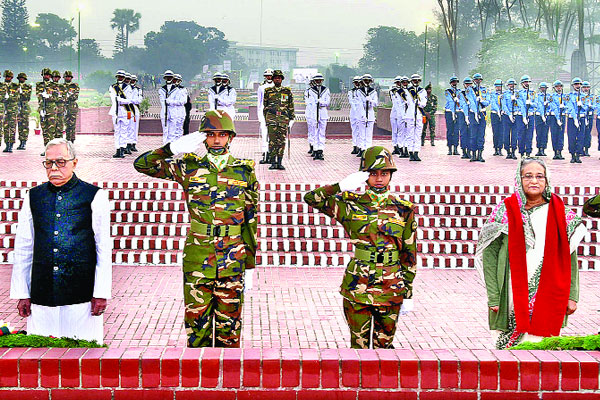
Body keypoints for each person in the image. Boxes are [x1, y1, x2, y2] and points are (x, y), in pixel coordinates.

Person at [133, 110, 258, 347]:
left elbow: (251, 220)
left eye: (222, 134)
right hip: (198, 257)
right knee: (196, 328)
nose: (217, 140)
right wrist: (170, 149)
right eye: (211, 135)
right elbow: (142, 165)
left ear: (231, 137)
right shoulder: (188, 167)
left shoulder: (244, 170)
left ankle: (226, 383)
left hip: (232, 259)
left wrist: (249, 265)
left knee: (229, 331)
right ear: (203, 138)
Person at [304, 146, 417, 349]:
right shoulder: (349, 204)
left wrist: (408, 292)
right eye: (373, 173)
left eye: (384, 173)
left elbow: (409, 253)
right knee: (358, 348)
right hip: (358, 284)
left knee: (385, 348)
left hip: (390, 286)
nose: (379, 178)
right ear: (364, 175)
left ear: (391, 175)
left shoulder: (403, 208)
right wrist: (340, 186)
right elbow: (311, 198)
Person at [476, 157, 586, 349]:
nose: (534, 181)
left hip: (550, 291)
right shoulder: (506, 210)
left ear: (546, 180)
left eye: (539, 176)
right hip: (509, 292)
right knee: (509, 356)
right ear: (519, 179)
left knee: (543, 352)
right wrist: (494, 296)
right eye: (528, 176)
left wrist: (572, 295)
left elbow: (570, 257)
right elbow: (490, 255)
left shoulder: (560, 212)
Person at [10, 138, 112, 344]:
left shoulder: (93, 196)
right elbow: (23, 247)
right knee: (40, 355)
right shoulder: (33, 196)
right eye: (48, 163)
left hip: (81, 293)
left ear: (74, 163)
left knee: (82, 355)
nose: (54, 168)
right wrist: (22, 292)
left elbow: (103, 247)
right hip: (42, 291)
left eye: (61, 161)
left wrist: (101, 292)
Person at [263, 69, 294, 170]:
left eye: (279, 78)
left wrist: (291, 118)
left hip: (283, 119)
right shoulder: (268, 91)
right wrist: (267, 118)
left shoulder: (287, 91)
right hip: (271, 119)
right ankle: (273, 162)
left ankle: (279, 162)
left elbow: (290, 106)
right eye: (275, 78)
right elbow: (265, 105)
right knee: (272, 141)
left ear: (282, 80)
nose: (277, 79)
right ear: (272, 79)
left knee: (281, 141)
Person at [108, 70, 134, 158]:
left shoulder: (128, 88)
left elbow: (129, 100)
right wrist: (120, 101)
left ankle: (123, 149)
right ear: (116, 77)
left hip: (125, 112)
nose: (120, 78)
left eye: (122, 77)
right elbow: (113, 99)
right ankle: (117, 149)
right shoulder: (112, 87)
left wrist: (119, 100)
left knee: (124, 131)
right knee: (117, 132)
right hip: (115, 112)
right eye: (119, 76)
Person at [305, 72, 330, 160]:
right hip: (313, 113)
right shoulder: (310, 91)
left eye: (320, 80)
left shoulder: (326, 90)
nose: (318, 81)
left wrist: (322, 103)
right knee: (315, 132)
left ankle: (321, 150)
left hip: (323, 113)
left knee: (322, 133)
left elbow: (328, 102)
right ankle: (315, 149)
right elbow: (308, 103)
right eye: (317, 80)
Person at [467, 73, 489, 162]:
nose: (478, 81)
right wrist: (475, 113)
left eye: (479, 80)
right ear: (473, 81)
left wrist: (482, 100)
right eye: (476, 80)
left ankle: (480, 154)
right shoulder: (470, 90)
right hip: (473, 114)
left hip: (482, 113)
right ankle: (473, 154)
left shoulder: (485, 90)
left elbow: (488, 102)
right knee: (473, 135)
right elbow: (471, 102)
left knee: (481, 134)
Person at [357, 74, 378, 158]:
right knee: (362, 133)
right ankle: (362, 149)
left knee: (369, 134)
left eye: (368, 80)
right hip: (362, 114)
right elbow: (359, 104)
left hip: (370, 113)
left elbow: (376, 103)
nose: (366, 82)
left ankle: (368, 149)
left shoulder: (373, 91)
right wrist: (363, 115)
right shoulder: (359, 91)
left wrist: (371, 101)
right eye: (365, 80)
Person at [36, 68, 57, 152]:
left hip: (51, 109)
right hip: (42, 109)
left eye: (48, 75)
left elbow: (56, 97)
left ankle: (52, 148)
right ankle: (46, 148)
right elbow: (38, 95)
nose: (46, 76)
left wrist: (49, 97)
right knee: (44, 130)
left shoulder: (54, 85)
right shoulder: (39, 85)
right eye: (45, 75)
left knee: (51, 130)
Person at [566, 77, 586, 164]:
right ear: (573, 86)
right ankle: (572, 154)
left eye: (579, 84)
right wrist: (574, 119)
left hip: (581, 117)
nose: (577, 86)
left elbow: (587, 108)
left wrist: (581, 105)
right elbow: (570, 107)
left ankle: (578, 154)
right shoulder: (569, 96)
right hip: (572, 119)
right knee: (571, 137)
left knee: (581, 137)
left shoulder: (585, 96)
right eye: (576, 84)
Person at [257, 68, 274, 163]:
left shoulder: (276, 87)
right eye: (267, 76)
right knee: (264, 134)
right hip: (264, 112)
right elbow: (259, 102)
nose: (268, 77)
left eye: (270, 75)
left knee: (272, 134)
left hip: (273, 113)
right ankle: (265, 152)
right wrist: (259, 115)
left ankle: (271, 153)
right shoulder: (261, 87)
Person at [517, 75, 536, 157]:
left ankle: (528, 152)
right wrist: (524, 117)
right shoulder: (518, 93)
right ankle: (521, 152)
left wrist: (530, 103)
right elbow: (521, 106)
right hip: (521, 116)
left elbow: (537, 104)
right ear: (522, 83)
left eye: (528, 82)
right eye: (525, 82)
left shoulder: (533, 93)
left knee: (529, 135)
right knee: (521, 135)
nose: (527, 83)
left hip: (531, 115)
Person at [501, 78, 519, 160]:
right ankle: (508, 151)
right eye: (510, 85)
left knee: (515, 135)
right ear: (507, 86)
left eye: (513, 85)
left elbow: (521, 105)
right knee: (506, 134)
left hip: (516, 115)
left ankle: (514, 151)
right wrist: (509, 114)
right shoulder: (504, 94)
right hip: (506, 116)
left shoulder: (518, 93)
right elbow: (504, 105)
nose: (512, 86)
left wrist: (516, 100)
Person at [1, 70, 19, 153]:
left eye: (9, 77)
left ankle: (11, 145)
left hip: (12, 109)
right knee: (5, 127)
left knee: (12, 127)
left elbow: (17, 97)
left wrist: (9, 98)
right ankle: (6, 144)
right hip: (3, 109)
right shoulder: (1, 86)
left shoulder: (15, 86)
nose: (8, 78)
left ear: (12, 78)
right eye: (6, 77)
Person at [549, 80, 567, 160]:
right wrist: (557, 118)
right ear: (554, 88)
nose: (559, 88)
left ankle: (560, 151)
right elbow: (553, 107)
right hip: (554, 117)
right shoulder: (552, 97)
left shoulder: (565, 96)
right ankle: (555, 151)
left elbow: (569, 106)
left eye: (560, 86)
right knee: (554, 134)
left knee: (561, 134)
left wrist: (564, 107)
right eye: (557, 87)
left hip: (562, 116)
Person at [444, 76, 461, 156]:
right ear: (451, 83)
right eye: (453, 82)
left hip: (457, 111)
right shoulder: (448, 91)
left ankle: (456, 148)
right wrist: (453, 113)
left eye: (456, 82)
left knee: (456, 130)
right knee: (450, 130)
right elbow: (450, 101)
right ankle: (450, 148)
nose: (455, 83)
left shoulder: (460, 91)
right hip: (449, 112)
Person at [533, 82, 550, 157]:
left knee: (545, 133)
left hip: (546, 116)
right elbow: (538, 105)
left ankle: (543, 148)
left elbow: (552, 106)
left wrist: (548, 105)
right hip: (539, 116)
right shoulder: (537, 96)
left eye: (544, 88)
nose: (543, 89)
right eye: (542, 88)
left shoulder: (549, 96)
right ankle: (539, 148)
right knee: (539, 133)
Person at [16, 72, 32, 150]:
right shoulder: (15, 86)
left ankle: (24, 142)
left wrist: (21, 93)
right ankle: (20, 141)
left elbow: (27, 97)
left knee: (25, 125)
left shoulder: (27, 86)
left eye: (22, 78)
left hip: (25, 108)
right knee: (19, 125)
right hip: (17, 107)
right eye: (20, 78)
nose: (21, 79)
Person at [63, 71, 80, 143]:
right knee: (66, 123)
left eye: (69, 77)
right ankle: (67, 139)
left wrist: (67, 96)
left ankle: (72, 139)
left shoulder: (75, 86)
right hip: (63, 106)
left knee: (72, 124)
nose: (67, 78)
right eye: (66, 77)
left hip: (72, 106)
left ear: (71, 78)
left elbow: (75, 96)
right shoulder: (61, 86)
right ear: (64, 77)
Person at [348, 76, 363, 155]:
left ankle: (360, 146)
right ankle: (355, 146)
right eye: (355, 82)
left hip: (361, 111)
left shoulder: (362, 91)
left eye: (358, 82)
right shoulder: (351, 92)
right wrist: (355, 110)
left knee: (360, 130)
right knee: (354, 130)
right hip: (354, 112)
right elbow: (351, 102)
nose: (357, 84)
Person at [159, 70, 175, 141]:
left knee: (172, 131)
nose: (168, 79)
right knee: (165, 131)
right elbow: (162, 101)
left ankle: (171, 146)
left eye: (170, 77)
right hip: (165, 110)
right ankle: (165, 145)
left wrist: (170, 101)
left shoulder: (176, 89)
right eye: (167, 77)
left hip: (174, 111)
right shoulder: (162, 89)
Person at [489, 79, 504, 156]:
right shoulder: (492, 94)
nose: (498, 88)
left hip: (502, 114)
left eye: (500, 86)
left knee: (501, 132)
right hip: (495, 114)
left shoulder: (504, 94)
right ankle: (495, 149)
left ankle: (500, 148)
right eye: (497, 86)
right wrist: (498, 111)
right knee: (495, 132)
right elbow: (493, 103)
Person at [421, 83, 437, 147]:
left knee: (432, 128)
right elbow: (421, 106)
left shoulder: (434, 97)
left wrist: (430, 113)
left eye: (430, 89)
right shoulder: (423, 97)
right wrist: (425, 113)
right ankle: (422, 141)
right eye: (427, 89)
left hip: (431, 115)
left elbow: (435, 107)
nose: (429, 91)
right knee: (423, 128)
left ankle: (432, 141)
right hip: (424, 115)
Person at [128, 74, 142, 151]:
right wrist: (133, 100)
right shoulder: (127, 89)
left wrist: (131, 100)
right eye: (131, 80)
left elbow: (139, 100)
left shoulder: (138, 90)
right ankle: (128, 144)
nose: (132, 81)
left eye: (134, 80)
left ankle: (133, 143)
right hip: (128, 109)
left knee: (135, 127)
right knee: (129, 126)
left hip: (135, 109)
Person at [52, 70, 66, 138]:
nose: (55, 79)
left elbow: (64, 97)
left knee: (60, 125)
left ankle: (59, 139)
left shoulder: (62, 87)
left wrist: (55, 98)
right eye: (54, 77)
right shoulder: (49, 86)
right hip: (51, 109)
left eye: (57, 77)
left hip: (60, 108)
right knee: (51, 126)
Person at [582, 81, 593, 157]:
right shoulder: (580, 96)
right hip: (582, 116)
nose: (586, 89)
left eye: (587, 87)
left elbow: (595, 106)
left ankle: (586, 149)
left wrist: (591, 106)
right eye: (584, 87)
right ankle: (580, 148)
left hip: (589, 116)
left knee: (588, 133)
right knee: (581, 133)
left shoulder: (592, 97)